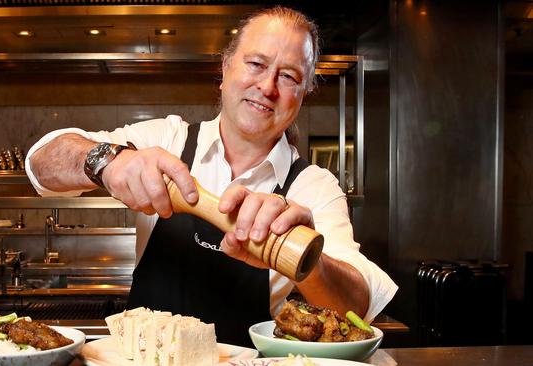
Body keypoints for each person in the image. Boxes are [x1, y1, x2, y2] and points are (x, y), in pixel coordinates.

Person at [26, 6, 397, 347]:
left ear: (303, 93)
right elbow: (41, 162)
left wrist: (311, 262)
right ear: (224, 69)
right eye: (255, 64)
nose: (267, 87)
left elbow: (358, 308)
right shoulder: (166, 140)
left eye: (288, 76)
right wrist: (106, 161)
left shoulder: (313, 186)